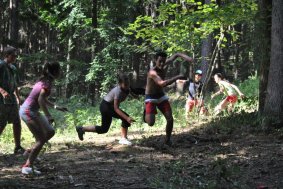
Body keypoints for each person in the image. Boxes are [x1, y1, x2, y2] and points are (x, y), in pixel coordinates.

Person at [19, 62, 68, 175]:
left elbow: (42, 99)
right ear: (55, 72)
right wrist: (48, 115)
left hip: (32, 111)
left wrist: (57, 107)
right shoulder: (46, 83)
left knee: (50, 131)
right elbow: (40, 100)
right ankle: (27, 166)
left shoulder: (45, 81)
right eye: (59, 70)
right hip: (27, 111)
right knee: (41, 139)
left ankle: (30, 151)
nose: (60, 73)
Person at [144, 51, 193, 145]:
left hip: (161, 95)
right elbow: (162, 83)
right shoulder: (152, 72)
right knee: (150, 123)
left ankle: (167, 139)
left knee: (170, 118)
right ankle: (146, 111)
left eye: (163, 61)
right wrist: (178, 77)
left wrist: (187, 58)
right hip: (150, 97)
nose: (162, 63)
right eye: (160, 61)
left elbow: (176, 54)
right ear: (155, 60)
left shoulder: (164, 63)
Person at [76, 73, 135, 145]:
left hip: (107, 106)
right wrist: (127, 118)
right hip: (106, 106)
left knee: (104, 129)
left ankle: (81, 129)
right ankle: (123, 139)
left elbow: (132, 93)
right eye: (125, 85)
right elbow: (116, 108)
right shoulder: (118, 91)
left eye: (128, 84)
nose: (127, 86)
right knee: (125, 118)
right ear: (120, 84)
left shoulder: (126, 89)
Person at [0, 46, 25, 154]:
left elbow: (15, 85)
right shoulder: (0, 65)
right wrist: (2, 91)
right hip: (1, 99)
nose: (15, 57)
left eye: (16, 56)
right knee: (2, 123)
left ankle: (18, 147)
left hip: (12, 98)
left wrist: (19, 98)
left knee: (17, 122)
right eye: (13, 55)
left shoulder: (13, 68)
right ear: (6, 55)